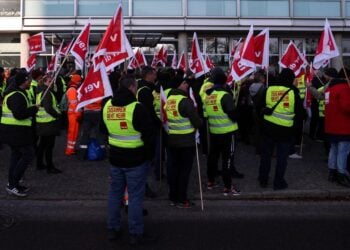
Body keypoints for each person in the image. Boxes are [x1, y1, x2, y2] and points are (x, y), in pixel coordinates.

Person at [103, 76, 156, 246]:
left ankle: (112, 229)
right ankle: (135, 233)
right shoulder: (136, 108)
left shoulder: (107, 106)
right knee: (134, 197)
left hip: (115, 159)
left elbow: (102, 131)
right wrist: (149, 157)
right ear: (132, 87)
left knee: (114, 195)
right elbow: (149, 136)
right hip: (136, 160)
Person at [257, 68, 304, 190]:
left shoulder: (269, 89)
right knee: (282, 158)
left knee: (266, 156)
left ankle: (263, 179)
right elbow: (301, 114)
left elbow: (259, 107)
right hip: (286, 131)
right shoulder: (293, 92)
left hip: (268, 129)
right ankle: (278, 182)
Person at [165, 74, 202, 208]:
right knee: (184, 171)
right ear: (179, 85)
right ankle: (182, 198)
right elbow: (196, 121)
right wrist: (200, 122)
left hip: (172, 140)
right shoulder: (185, 101)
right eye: (185, 83)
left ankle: (173, 196)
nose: (187, 85)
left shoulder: (169, 99)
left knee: (174, 169)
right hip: (186, 142)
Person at [0, 71, 39, 197]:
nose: (29, 82)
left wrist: (31, 107)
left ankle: (13, 183)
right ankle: (12, 184)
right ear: (23, 82)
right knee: (28, 155)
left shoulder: (17, 93)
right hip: (16, 132)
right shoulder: (16, 95)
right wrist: (34, 109)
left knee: (16, 156)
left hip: (14, 131)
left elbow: (20, 111)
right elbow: (19, 114)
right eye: (28, 80)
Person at [203, 67, 241, 196]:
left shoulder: (208, 95)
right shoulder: (225, 95)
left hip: (214, 131)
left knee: (213, 157)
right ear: (224, 83)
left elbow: (206, 114)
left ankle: (211, 181)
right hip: (228, 132)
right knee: (227, 159)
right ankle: (228, 186)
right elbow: (233, 115)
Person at [324, 68, 350, 187]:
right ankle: (341, 173)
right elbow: (346, 107)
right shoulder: (344, 88)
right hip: (343, 126)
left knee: (333, 149)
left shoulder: (329, 88)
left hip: (331, 125)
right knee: (343, 151)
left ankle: (332, 172)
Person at [35, 75, 62, 173]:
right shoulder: (46, 93)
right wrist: (57, 115)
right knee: (49, 146)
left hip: (42, 123)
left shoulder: (40, 91)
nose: (51, 83)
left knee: (42, 145)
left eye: (52, 81)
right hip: (48, 123)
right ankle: (50, 167)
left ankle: (40, 164)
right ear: (45, 82)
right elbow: (48, 108)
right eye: (49, 81)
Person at [65, 74, 82, 155]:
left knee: (74, 132)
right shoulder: (72, 89)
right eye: (79, 81)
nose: (80, 83)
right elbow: (74, 103)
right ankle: (69, 150)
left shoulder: (72, 88)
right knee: (72, 132)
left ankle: (71, 149)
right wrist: (79, 113)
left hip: (73, 113)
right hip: (73, 114)